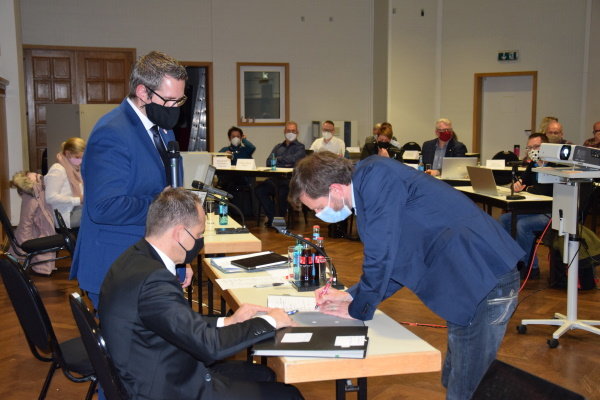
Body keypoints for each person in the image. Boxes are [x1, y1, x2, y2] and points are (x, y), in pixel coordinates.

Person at [288, 152, 523, 400]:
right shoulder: (370, 179)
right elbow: (396, 260)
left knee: (466, 389)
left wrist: (358, 309)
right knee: (454, 378)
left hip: (485, 281)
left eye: (318, 207)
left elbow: (380, 256)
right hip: (467, 280)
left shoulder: (376, 177)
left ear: (335, 189)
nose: (319, 214)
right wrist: (351, 296)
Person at [100, 188, 303, 400]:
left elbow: (178, 323)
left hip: (158, 367)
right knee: (289, 395)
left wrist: (229, 321)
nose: (200, 241)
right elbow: (209, 347)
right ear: (180, 233)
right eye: (198, 234)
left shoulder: (134, 258)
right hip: (168, 388)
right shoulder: (154, 281)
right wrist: (270, 321)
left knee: (264, 375)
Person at [70, 51, 191, 308]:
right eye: (169, 100)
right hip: (118, 267)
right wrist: (163, 206)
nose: (174, 108)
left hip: (151, 264)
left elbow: (171, 191)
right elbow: (104, 207)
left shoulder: (163, 129)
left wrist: (179, 258)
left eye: (179, 100)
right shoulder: (112, 132)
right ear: (143, 92)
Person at [499, 133, 552, 280]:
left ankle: (530, 267)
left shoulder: (556, 165)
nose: (532, 150)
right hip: (534, 209)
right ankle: (510, 260)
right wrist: (517, 185)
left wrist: (527, 188)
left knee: (523, 225)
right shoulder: (532, 164)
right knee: (504, 219)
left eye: (536, 147)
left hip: (552, 212)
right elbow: (523, 183)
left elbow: (545, 190)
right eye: (529, 148)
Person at [255, 121, 305, 227]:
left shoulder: (300, 147)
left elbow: (295, 160)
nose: (290, 133)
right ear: (284, 131)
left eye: (293, 131)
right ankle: (274, 218)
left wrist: (278, 159)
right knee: (260, 190)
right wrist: (286, 162)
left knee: (282, 192)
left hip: (290, 181)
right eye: (288, 130)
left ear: (297, 132)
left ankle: (277, 219)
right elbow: (268, 161)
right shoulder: (278, 147)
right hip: (275, 179)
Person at [9, 171, 57, 275]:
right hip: (41, 230)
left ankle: (42, 268)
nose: (37, 174)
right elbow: (25, 221)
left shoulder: (40, 190)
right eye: (33, 174)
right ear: (26, 179)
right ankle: (41, 269)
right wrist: (23, 245)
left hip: (44, 227)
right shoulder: (31, 195)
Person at [44, 137, 85, 230]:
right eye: (77, 157)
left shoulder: (75, 169)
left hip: (75, 209)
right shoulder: (58, 170)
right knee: (98, 214)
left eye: (83, 157)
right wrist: (78, 200)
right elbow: (50, 197)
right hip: (65, 215)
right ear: (68, 154)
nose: (81, 161)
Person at [218, 126, 256, 217]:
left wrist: (244, 140)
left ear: (241, 137)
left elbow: (252, 147)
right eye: (233, 136)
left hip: (243, 180)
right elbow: (217, 159)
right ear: (229, 138)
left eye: (238, 136)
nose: (235, 138)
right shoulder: (224, 150)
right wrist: (224, 156)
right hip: (228, 182)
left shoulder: (245, 150)